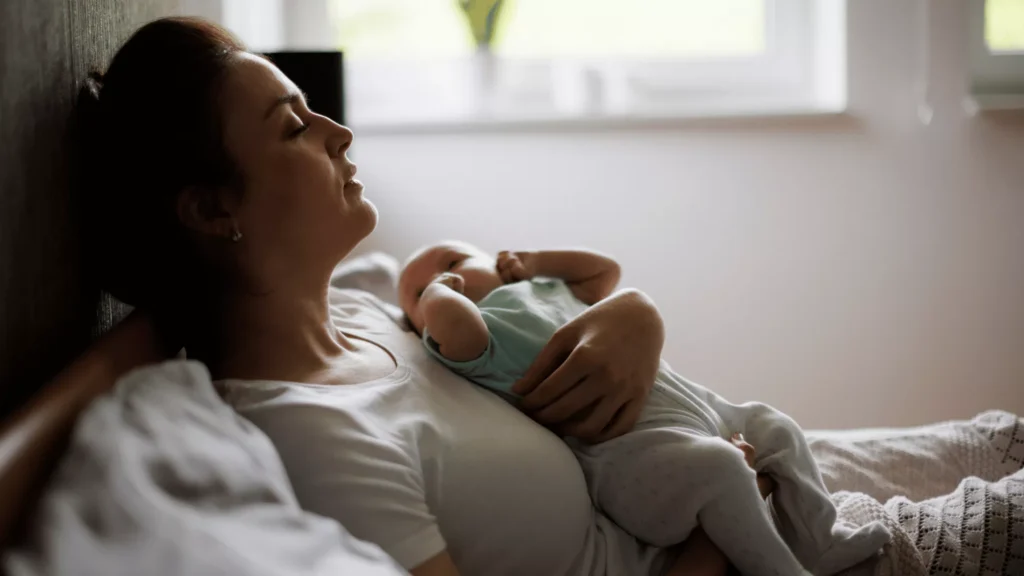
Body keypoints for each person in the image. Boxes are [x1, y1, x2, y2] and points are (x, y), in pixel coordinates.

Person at [76, 16, 765, 576]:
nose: (339, 134)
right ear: (210, 211)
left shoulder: (369, 306)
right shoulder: (314, 436)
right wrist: (726, 533)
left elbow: (532, 307)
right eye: (294, 126)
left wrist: (635, 315)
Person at [398, 242, 893, 576]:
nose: (441, 280)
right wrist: (442, 294)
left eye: (455, 260)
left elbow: (603, 271)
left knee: (774, 425)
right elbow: (452, 325)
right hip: (630, 457)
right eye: (419, 293)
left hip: (699, 408)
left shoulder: (544, 288)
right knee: (720, 467)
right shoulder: (474, 340)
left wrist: (536, 261)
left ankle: (820, 537)